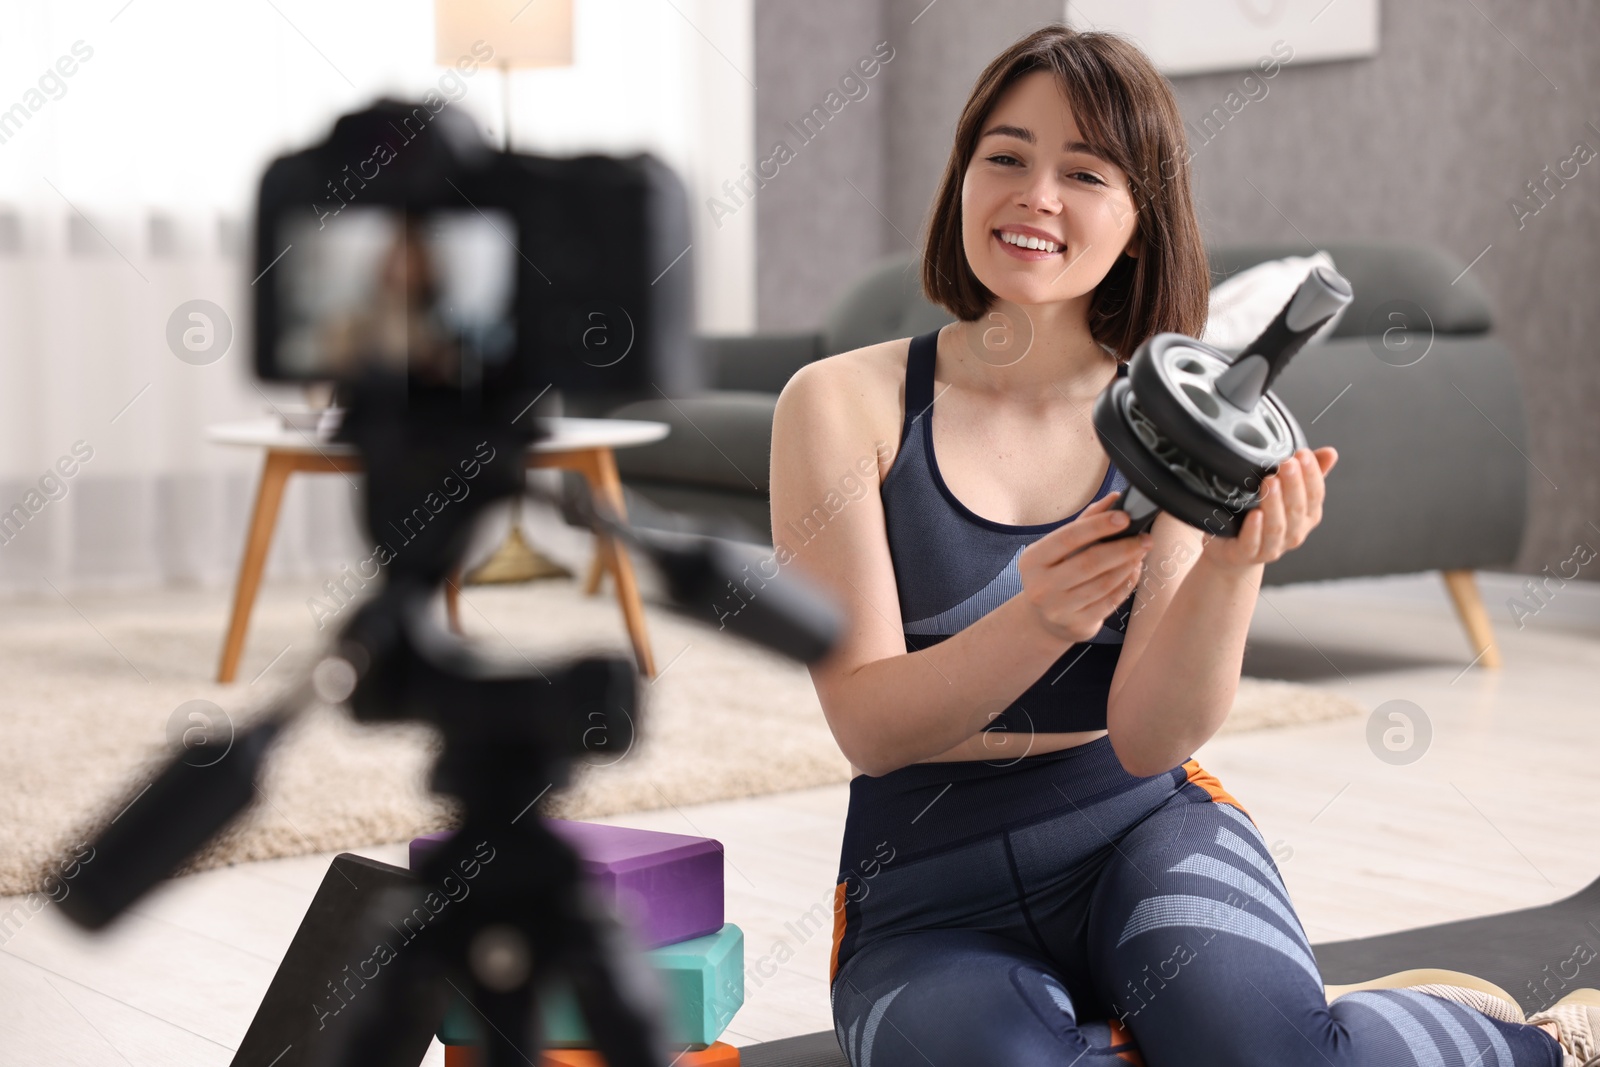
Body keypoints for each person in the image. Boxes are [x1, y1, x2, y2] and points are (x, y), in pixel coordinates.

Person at [768, 24, 1592, 1067]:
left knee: (1274, 1056)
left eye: (1085, 172)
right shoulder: (841, 405)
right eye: (1005, 156)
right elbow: (870, 726)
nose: (1036, 196)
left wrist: (1232, 564)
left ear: (1139, 219)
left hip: (1140, 829)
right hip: (925, 882)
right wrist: (1037, 621)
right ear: (961, 178)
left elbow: (1153, 734)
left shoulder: (1158, 421)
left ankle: (1533, 1041)